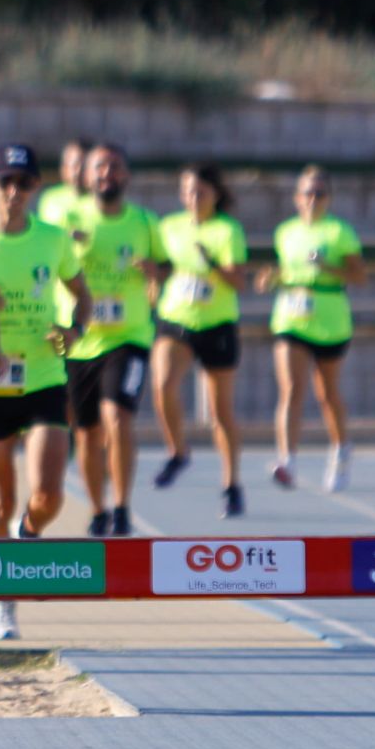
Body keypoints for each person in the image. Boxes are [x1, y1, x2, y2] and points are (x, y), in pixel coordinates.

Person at [0, 144, 90, 643]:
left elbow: (82, 295)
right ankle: (1, 601)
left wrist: (76, 330)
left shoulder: (54, 240)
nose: (15, 192)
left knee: (49, 493)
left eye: (25, 183)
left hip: (41, 375)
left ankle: (28, 534)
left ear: (36, 188)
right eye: (6, 181)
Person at [64, 143, 166, 537]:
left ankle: (122, 506)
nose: (108, 174)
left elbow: (165, 268)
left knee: (118, 417)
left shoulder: (143, 222)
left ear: (126, 176)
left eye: (116, 167)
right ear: (87, 176)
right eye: (100, 167)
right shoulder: (68, 219)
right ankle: (97, 508)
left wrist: (154, 271)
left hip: (129, 336)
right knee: (87, 433)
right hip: (82, 341)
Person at [257, 165, 365, 493]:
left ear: (329, 198)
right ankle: (287, 459)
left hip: (330, 318)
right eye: (307, 193)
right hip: (291, 316)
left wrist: (327, 266)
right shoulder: (285, 232)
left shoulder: (339, 232)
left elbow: (358, 276)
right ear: (296, 198)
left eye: (320, 193)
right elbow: (284, 268)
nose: (313, 199)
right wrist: (271, 278)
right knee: (291, 387)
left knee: (327, 394)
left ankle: (340, 450)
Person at [151, 162, 250, 518]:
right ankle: (178, 451)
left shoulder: (228, 231)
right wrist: (153, 277)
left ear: (215, 195)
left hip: (216, 323)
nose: (193, 198)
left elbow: (239, 281)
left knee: (220, 412)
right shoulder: (169, 227)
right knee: (162, 385)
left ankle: (231, 484)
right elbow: (162, 267)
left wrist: (212, 265)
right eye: (188, 191)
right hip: (176, 319)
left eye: (201, 192)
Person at [37, 137, 94, 230]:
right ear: (64, 167)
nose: (78, 171)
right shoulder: (50, 198)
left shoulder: (100, 202)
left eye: (84, 166)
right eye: (74, 165)